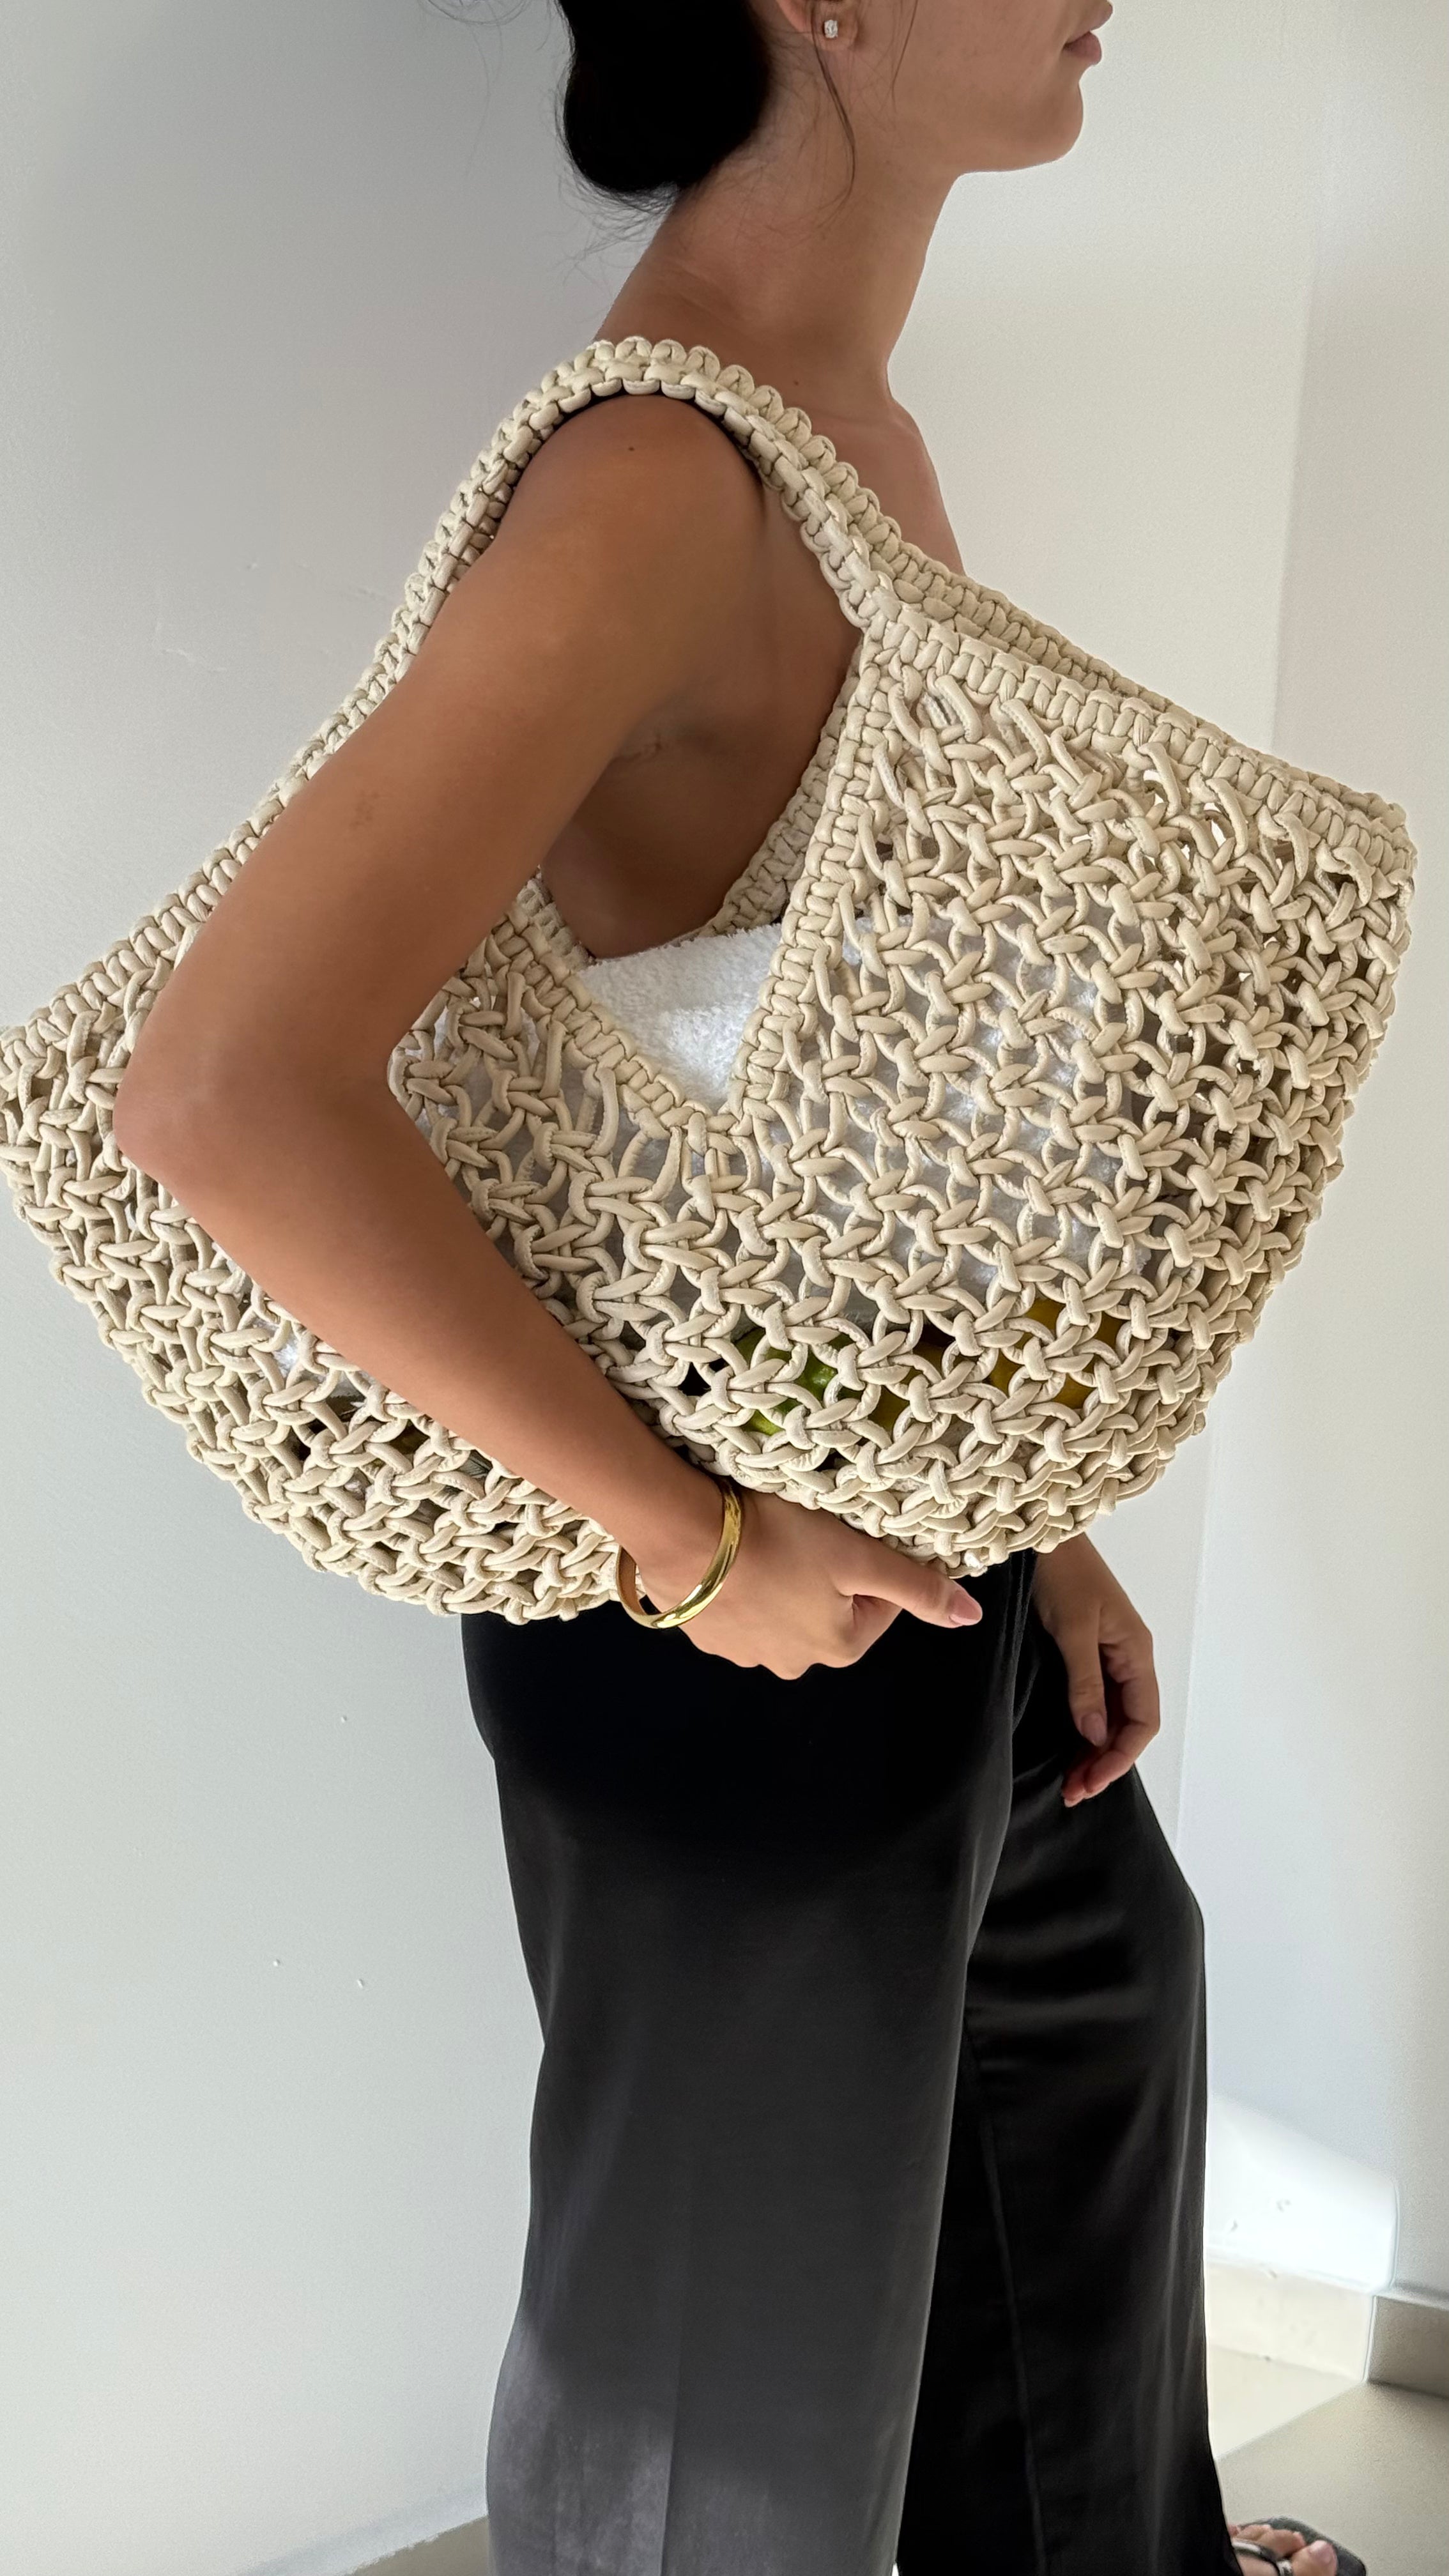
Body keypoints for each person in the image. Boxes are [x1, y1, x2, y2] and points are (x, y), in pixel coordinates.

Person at [111, 4, 1361, 2570]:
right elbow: (221, 1091)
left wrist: (1043, 1525)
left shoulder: (838, 445)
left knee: (1079, 2080)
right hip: (707, 1600)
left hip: (903, 1545)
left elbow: (843, 1124)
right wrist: (690, 1548)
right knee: (728, 2413)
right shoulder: (654, 487)